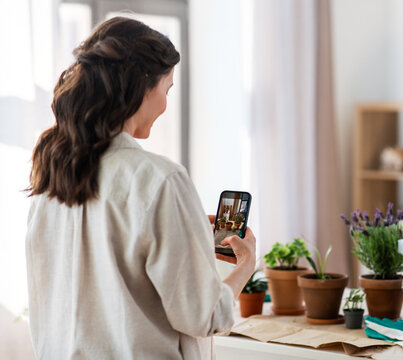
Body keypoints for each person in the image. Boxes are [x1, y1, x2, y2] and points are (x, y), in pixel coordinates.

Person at [26, 17, 256, 359]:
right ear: (143, 87)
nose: (165, 104)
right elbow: (201, 316)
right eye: (167, 89)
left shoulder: (50, 178)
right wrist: (245, 266)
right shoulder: (160, 179)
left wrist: (187, 238)